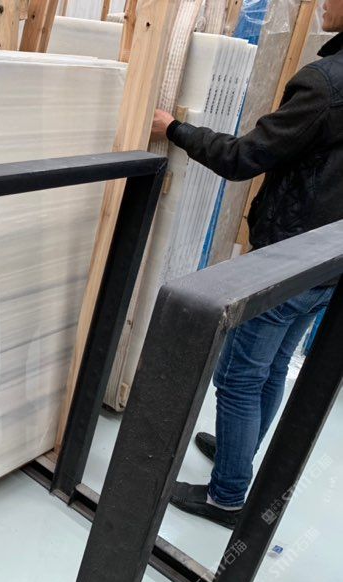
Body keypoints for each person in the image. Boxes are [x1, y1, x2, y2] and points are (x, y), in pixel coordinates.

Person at [150, 1, 343, 528]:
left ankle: (227, 496)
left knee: (238, 377)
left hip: (289, 259)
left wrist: (174, 128)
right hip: (326, 261)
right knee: (272, 366)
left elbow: (242, 158)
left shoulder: (325, 84)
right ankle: (239, 453)